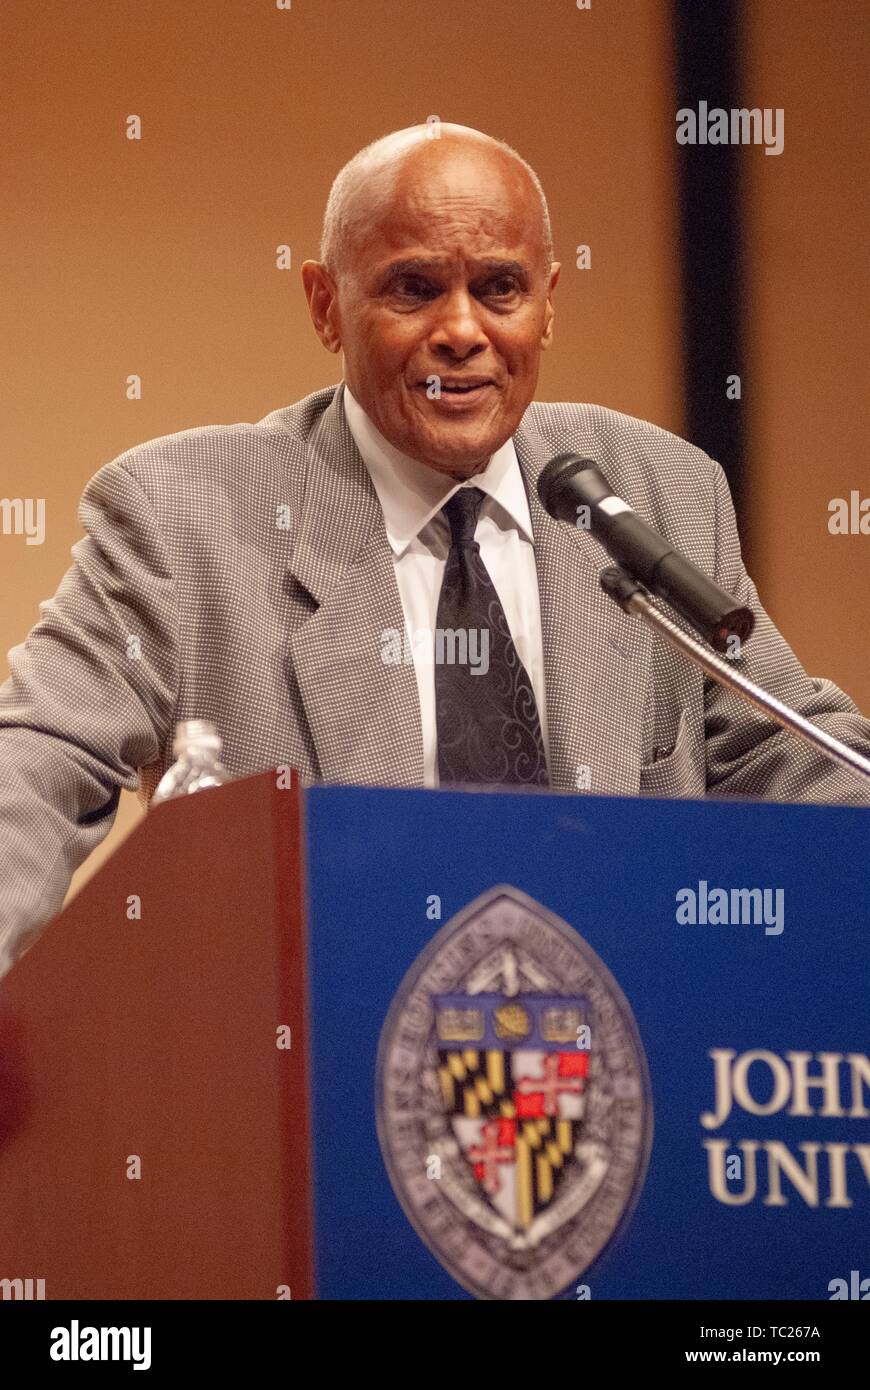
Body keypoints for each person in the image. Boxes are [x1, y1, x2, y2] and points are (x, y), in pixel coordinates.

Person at [1, 123, 867, 975]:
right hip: (315, 1069)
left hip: (614, 1069)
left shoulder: (655, 489)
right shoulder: (186, 515)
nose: (462, 330)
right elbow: (37, 760)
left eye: (500, 288)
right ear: (325, 305)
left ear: (549, 302)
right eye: (413, 289)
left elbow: (795, 755)